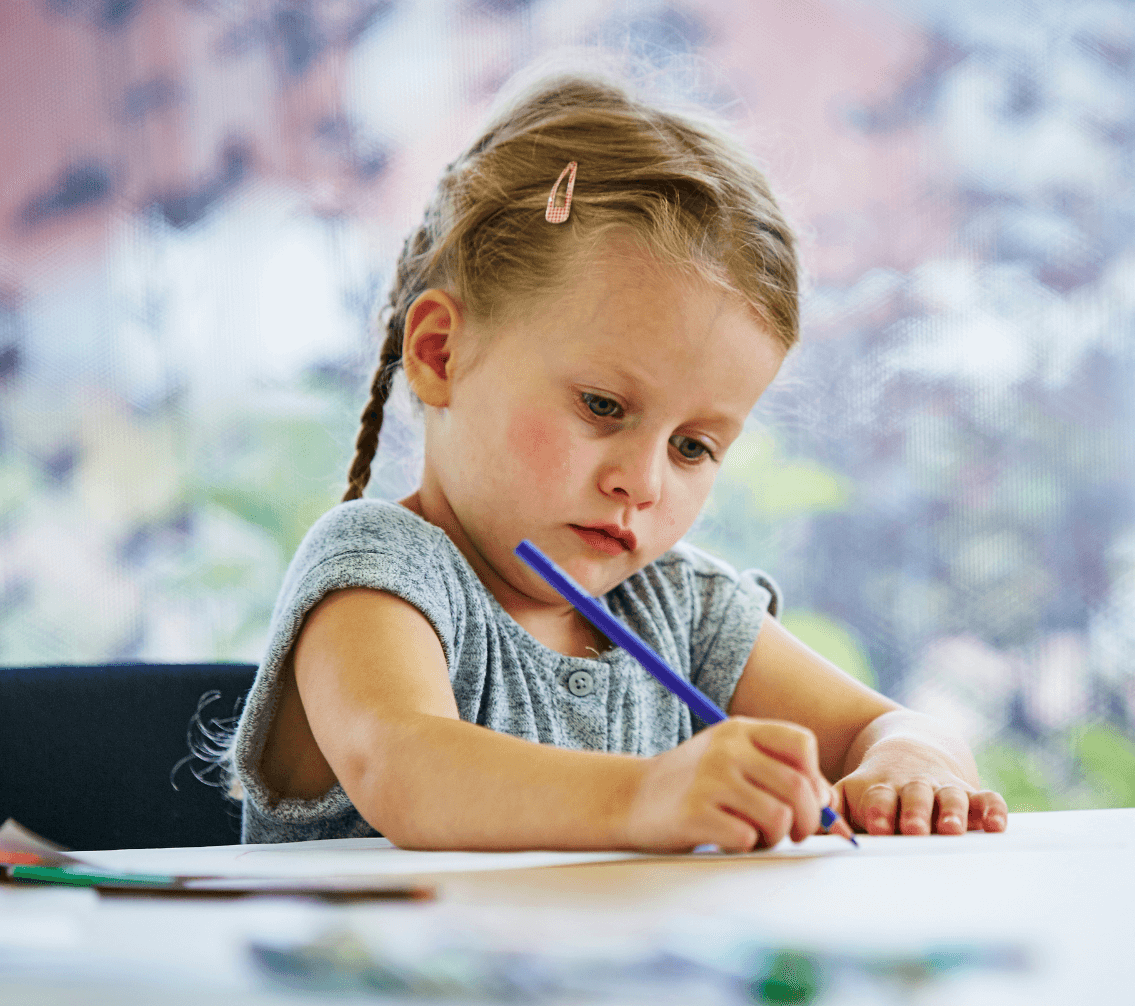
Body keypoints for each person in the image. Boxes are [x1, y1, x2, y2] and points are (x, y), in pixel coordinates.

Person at [228, 71, 1008, 851]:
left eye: (693, 446)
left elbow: (886, 727)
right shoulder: (378, 570)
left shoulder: (683, 610)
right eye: (602, 407)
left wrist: (912, 763)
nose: (642, 481)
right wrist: (649, 795)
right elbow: (406, 769)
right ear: (441, 352)